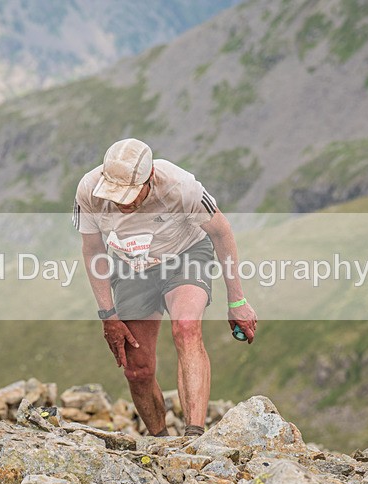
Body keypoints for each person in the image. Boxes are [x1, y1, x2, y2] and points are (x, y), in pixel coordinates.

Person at [72, 138, 257, 437]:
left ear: (149, 178)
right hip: (130, 264)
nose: (122, 202)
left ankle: (193, 438)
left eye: (129, 194)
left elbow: (221, 233)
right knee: (137, 369)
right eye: (116, 194)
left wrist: (237, 301)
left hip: (184, 255)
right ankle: (161, 443)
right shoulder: (88, 190)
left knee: (186, 327)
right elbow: (93, 250)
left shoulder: (180, 186)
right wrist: (108, 316)